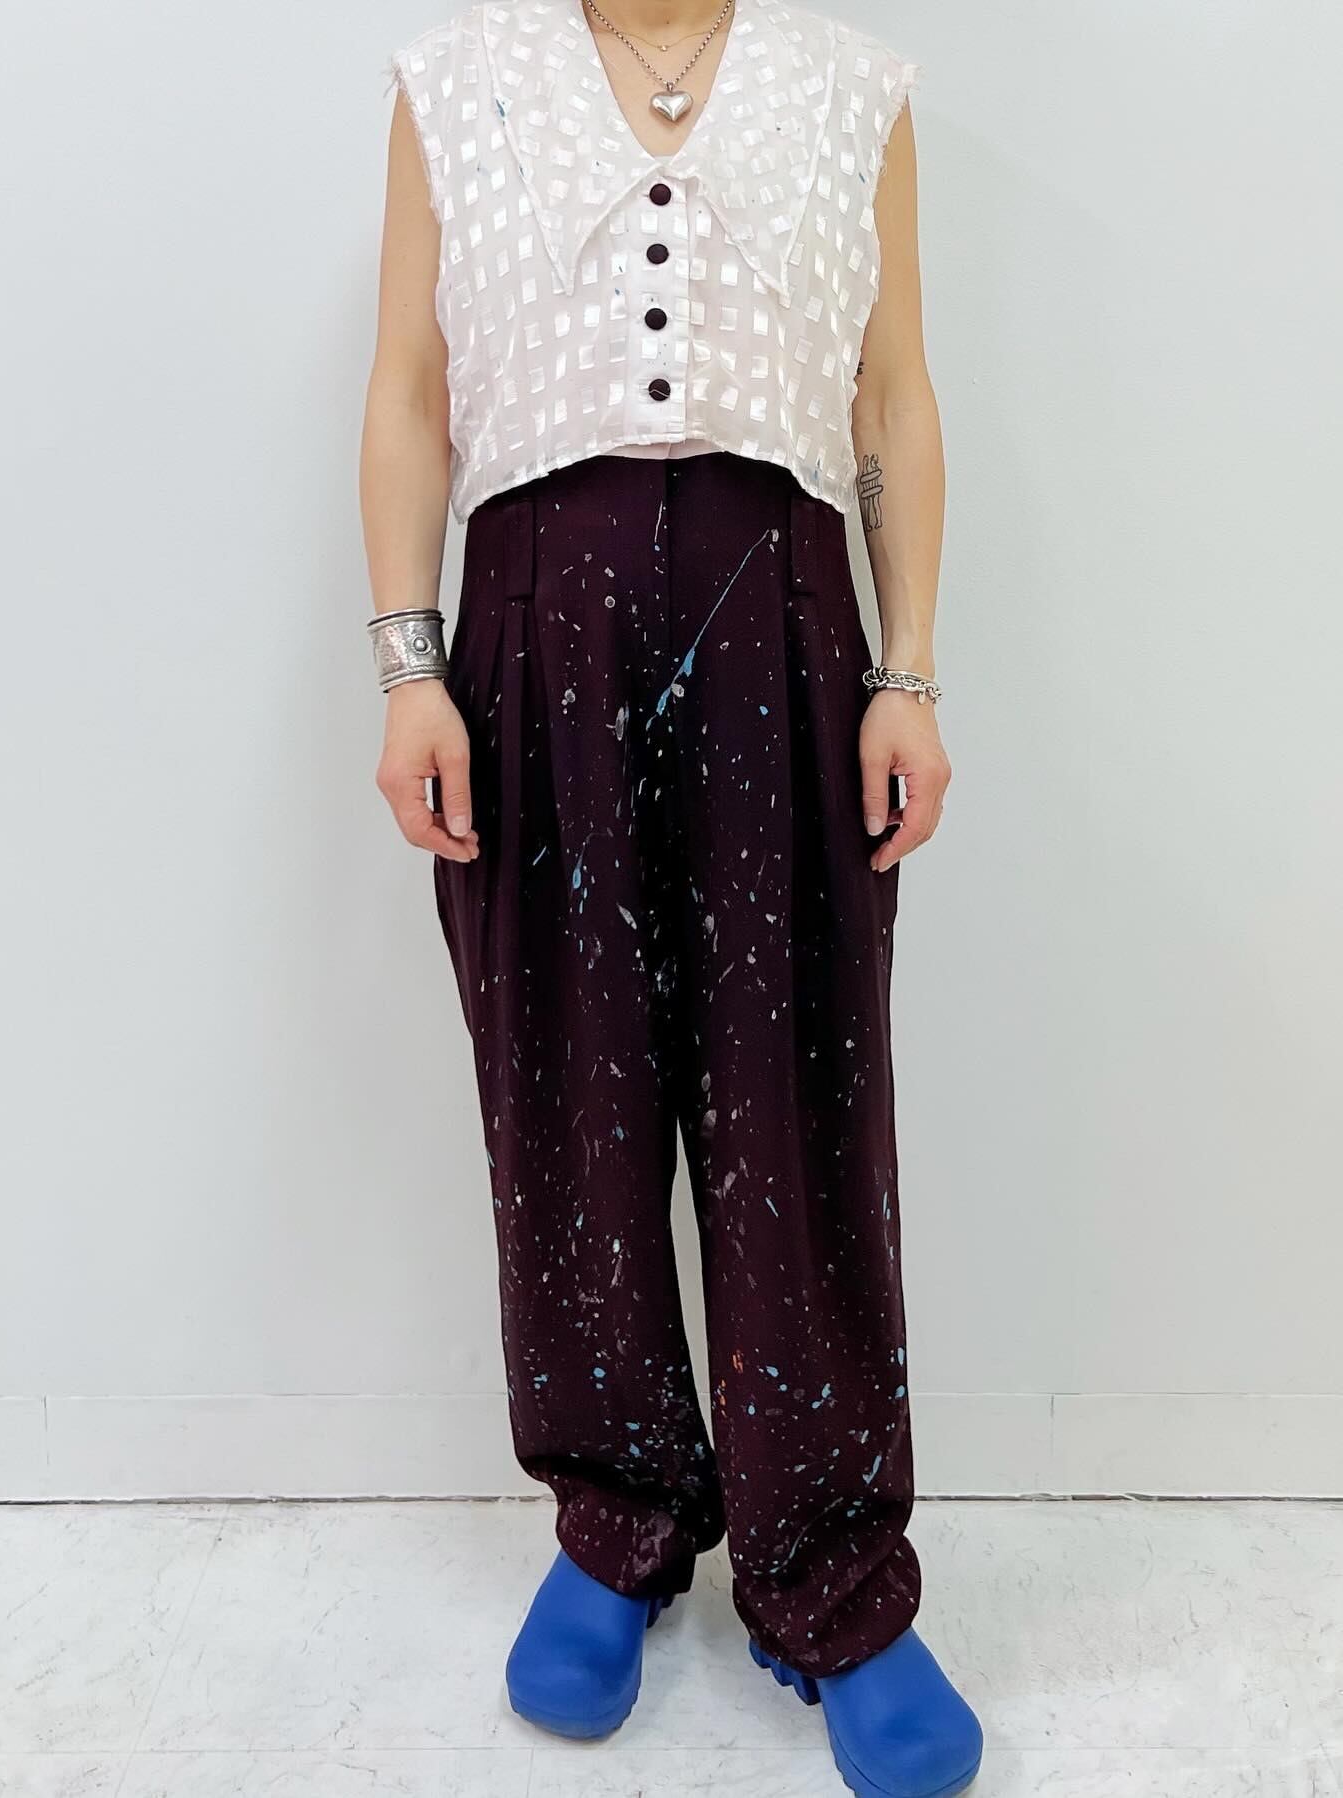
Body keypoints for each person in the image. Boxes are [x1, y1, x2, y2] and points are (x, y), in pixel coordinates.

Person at [359, 0, 982, 1791]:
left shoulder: (854, 88)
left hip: (784, 615)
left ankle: (832, 1571)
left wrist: (909, 670)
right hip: (529, 624)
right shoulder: (453, 80)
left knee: (802, 1102)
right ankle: (614, 1521)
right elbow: (409, 388)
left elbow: (891, 392)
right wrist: (409, 664)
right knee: (566, 1097)